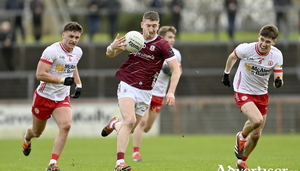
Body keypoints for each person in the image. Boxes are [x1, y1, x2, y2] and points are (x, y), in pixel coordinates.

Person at [101, 11, 181, 171]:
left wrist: (171, 92)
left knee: (128, 128)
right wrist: (111, 47)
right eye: (148, 25)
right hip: (127, 84)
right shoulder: (133, 37)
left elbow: (176, 69)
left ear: (158, 26)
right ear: (142, 25)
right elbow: (110, 54)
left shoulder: (162, 45)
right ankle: (120, 163)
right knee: (130, 121)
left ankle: (115, 123)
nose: (151, 29)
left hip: (146, 91)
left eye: (154, 26)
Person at [21, 21, 84, 171]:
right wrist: (61, 80)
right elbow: (40, 74)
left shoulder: (78, 51)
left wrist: (78, 83)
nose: (74, 40)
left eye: (77, 37)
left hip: (61, 98)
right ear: (63, 35)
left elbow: (73, 65)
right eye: (71, 36)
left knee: (66, 125)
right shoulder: (51, 51)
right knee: (37, 132)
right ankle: (27, 138)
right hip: (44, 97)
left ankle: (52, 163)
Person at [221, 24, 283, 171]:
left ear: (274, 42)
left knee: (256, 135)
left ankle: (241, 162)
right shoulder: (246, 49)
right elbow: (231, 57)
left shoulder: (276, 55)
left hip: (261, 93)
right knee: (257, 120)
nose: (263, 44)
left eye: (268, 41)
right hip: (242, 90)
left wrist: (278, 81)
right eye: (262, 39)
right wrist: (226, 73)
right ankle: (241, 137)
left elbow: (278, 72)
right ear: (258, 37)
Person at [132, 26, 182, 162]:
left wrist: (170, 72)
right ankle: (136, 153)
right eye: (169, 37)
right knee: (141, 122)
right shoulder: (153, 49)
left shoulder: (176, 54)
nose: (172, 40)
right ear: (162, 38)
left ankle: (119, 124)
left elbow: (178, 72)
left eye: (173, 37)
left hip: (160, 95)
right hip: (146, 91)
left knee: (147, 127)